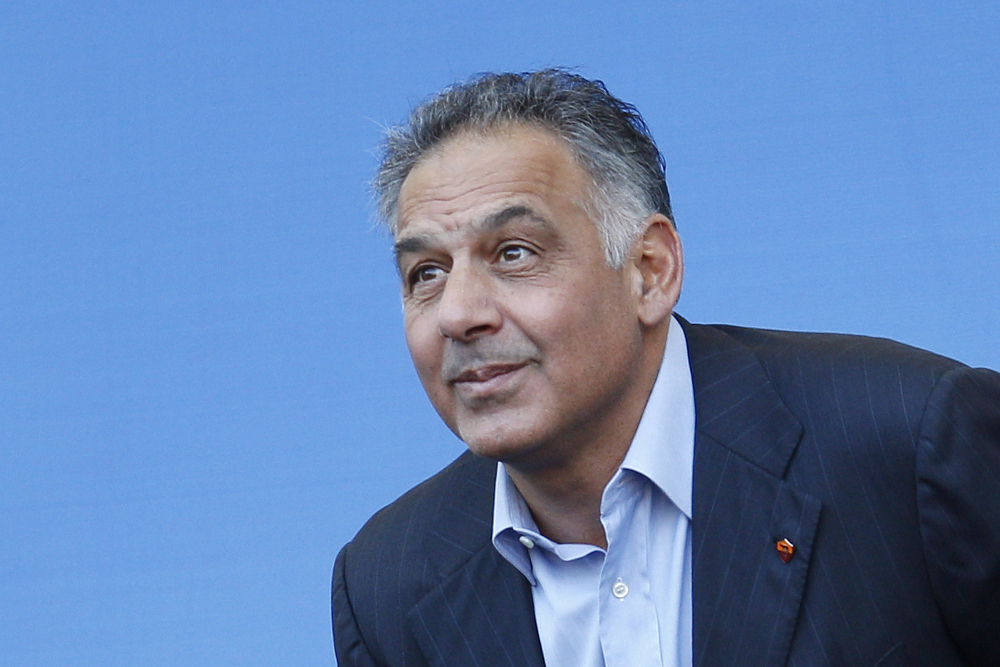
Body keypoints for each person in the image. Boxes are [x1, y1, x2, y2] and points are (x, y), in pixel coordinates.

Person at [332, 69, 1000, 667]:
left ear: (651, 271)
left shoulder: (911, 442)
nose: (458, 314)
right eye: (426, 272)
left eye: (512, 252)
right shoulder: (388, 585)